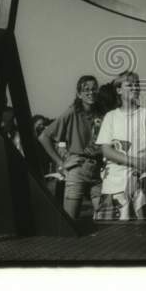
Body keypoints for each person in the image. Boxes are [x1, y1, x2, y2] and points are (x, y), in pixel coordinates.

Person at [95, 71, 146, 221]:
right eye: (129, 85)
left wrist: (137, 173)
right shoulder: (110, 117)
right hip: (114, 181)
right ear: (118, 90)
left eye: (137, 85)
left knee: (141, 229)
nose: (135, 88)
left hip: (142, 178)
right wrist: (134, 161)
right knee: (112, 232)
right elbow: (106, 150)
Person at [39, 75, 104, 220]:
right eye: (86, 90)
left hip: (97, 169)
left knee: (105, 216)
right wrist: (61, 163)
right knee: (69, 221)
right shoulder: (72, 112)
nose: (90, 92)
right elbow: (44, 137)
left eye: (94, 89)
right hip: (77, 167)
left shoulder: (100, 114)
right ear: (79, 94)